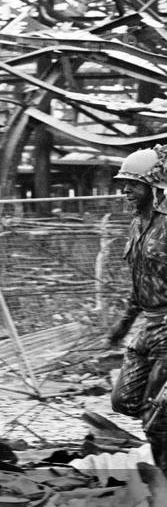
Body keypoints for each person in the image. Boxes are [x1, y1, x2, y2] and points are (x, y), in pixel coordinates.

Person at [108, 144, 167, 469]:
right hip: (148, 325)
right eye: (124, 182)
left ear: (154, 185)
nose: (125, 189)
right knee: (125, 400)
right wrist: (122, 325)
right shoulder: (137, 225)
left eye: (133, 183)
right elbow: (139, 283)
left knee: (156, 415)